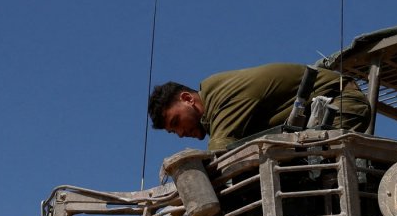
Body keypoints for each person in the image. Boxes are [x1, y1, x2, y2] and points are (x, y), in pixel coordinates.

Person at [148, 63, 370, 153]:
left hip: (341, 105)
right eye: (173, 132)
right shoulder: (214, 112)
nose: (180, 133)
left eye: (176, 122)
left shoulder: (221, 96)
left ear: (187, 98)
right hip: (317, 120)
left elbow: (218, 154)